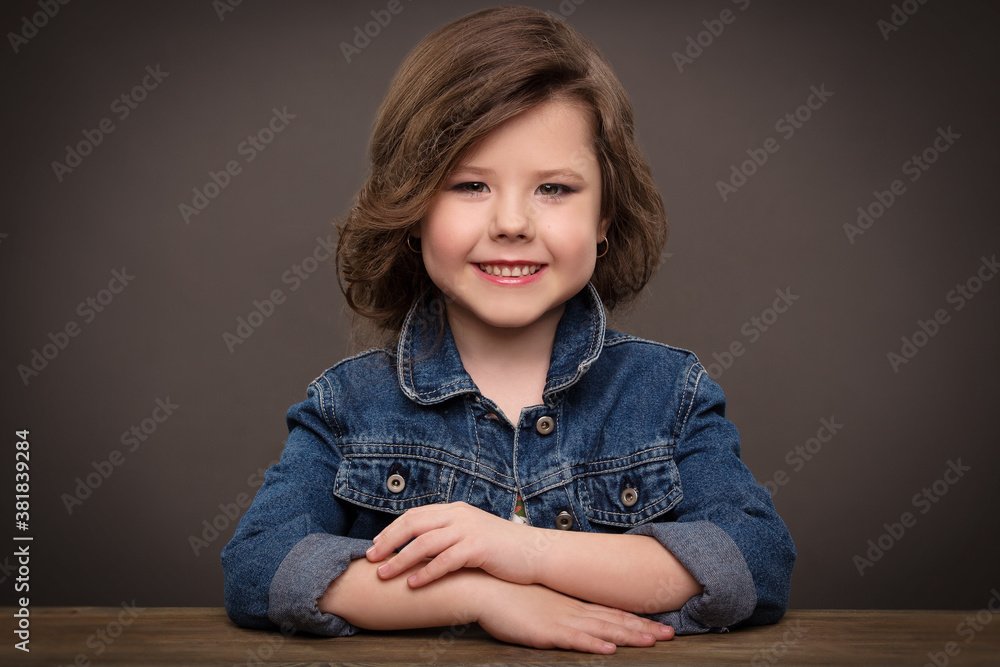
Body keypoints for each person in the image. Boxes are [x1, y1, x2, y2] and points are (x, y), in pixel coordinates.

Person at [221, 5, 795, 655]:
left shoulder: (671, 394)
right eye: (470, 185)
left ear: (606, 215)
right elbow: (258, 565)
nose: (513, 223)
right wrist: (481, 591)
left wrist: (525, 551)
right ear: (412, 209)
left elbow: (754, 560)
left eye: (554, 187)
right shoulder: (349, 406)